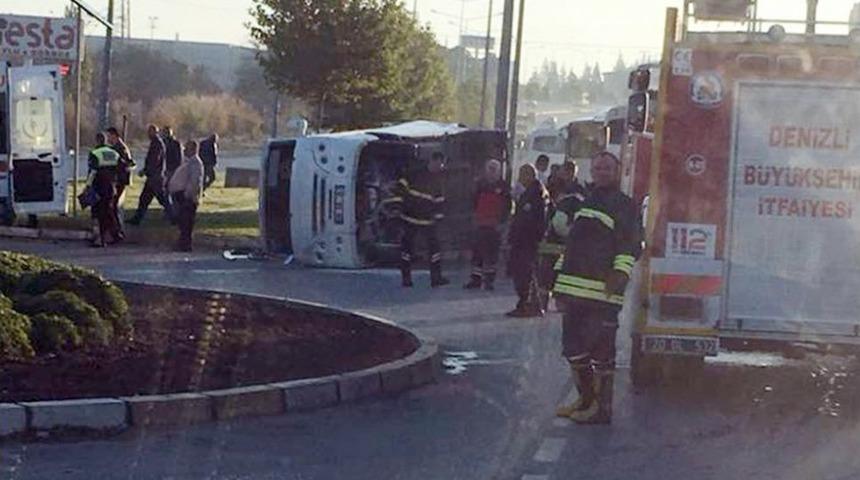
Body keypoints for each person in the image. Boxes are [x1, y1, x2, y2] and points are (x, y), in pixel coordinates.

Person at [553, 151, 640, 425]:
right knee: (572, 348)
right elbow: (572, 246)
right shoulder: (587, 200)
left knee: (602, 354)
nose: (602, 171)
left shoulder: (625, 205)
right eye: (598, 167)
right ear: (591, 172)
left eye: (607, 168)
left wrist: (619, 275)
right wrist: (557, 286)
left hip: (602, 293)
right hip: (574, 290)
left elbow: (630, 245)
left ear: (618, 171)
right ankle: (586, 399)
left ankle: (602, 410)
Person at [393, 152, 449, 288]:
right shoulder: (414, 174)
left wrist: (439, 218)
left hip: (427, 221)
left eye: (441, 165)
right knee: (407, 249)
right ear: (432, 161)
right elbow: (399, 190)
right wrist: (397, 208)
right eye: (438, 164)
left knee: (435, 250)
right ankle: (406, 279)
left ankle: (436, 278)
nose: (440, 167)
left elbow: (439, 202)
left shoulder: (438, 180)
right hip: (409, 218)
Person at [537, 161, 587, 311]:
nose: (568, 174)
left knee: (566, 272)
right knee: (546, 270)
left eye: (571, 171)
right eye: (566, 171)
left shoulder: (580, 189)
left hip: (571, 238)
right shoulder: (551, 186)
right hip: (552, 235)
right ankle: (543, 303)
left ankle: (562, 301)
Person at [464, 159, 511, 291]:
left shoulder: (503, 187)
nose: (491, 172)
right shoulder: (479, 184)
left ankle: (489, 281)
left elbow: (508, 206)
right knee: (477, 253)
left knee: (492, 254)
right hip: (480, 223)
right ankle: (475, 280)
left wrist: (502, 222)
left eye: (494, 169)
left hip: (495, 225)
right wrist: (473, 218)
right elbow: (473, 201)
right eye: (489, 169)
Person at [506, 164, 547, 317]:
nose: (520, 178)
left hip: (527, 241)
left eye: (523, 174)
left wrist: (534, 238)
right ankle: (526, 303)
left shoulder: (536, 194)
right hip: (521, 241)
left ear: (530, 175)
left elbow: (535, 220)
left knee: (525, 274)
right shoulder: (527, 193)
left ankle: (528, 304)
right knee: (523, 273)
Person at [129, 125, 170, 225]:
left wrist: (145, 171)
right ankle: (137, 219)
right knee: (144, 199)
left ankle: (175, 217)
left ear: (155, 132)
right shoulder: (155, 143)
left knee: (162, 199)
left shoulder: (157, 144)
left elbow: (154, 161)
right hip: (153, 177)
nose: (148, 134)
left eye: (150, 132)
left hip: (156, 178)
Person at [168, 140, 204, 252]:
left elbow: (195, 181)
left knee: (186, 223)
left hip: (188, 198)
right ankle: (182, 244)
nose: (184, 150)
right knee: (183, 223)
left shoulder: (195, 163)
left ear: (193, 150)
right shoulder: (188, 162)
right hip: (181, 196)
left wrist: (187, 195)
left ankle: (185, 245)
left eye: (187, 148)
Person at [86, 132, 120, 247]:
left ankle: (100, 240)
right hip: (111, 187)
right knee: (108, 211)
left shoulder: (95, 153)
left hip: (98, 187)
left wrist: (87, 186)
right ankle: (115, 234)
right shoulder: (114, 153)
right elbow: (125, 166)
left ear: (97, 140)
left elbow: (92, 172)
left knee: (98, 213)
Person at [106, 127, 134, 240]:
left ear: (114, 136)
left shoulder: (120, 148)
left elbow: (125, 164)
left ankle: (117, 232)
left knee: (112, 206)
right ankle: (116, 231)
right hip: (118, 180)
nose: (108, 138)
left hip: (120, 181)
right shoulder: (117, 147)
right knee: (113, 206)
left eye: (109, 136)